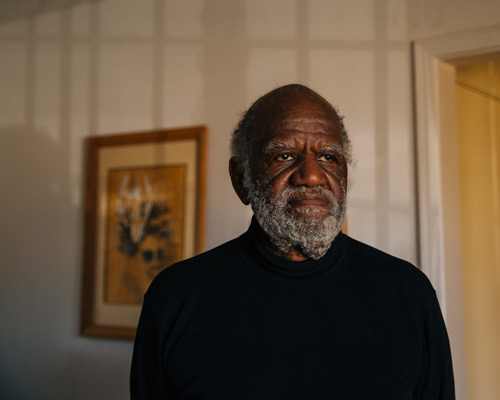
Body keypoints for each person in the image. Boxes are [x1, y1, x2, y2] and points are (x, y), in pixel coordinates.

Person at [130, 84, 455, 399]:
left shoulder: (409, 294)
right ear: (241, 179)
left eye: (328, 157)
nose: (312, 175)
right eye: (284, 156)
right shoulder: (175, 298)